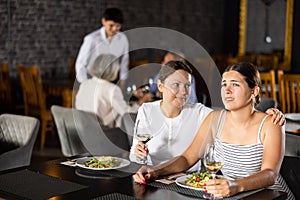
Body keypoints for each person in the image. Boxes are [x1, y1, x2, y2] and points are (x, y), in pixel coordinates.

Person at [133, 62, 294, 199]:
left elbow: (270, 174)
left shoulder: (271, 123)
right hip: (229, 194)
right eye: (224, 84)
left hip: (268, 195)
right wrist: (155, 171)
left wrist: (235, 186)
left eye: (235, 84)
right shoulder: (214, 119)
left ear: (254, 91)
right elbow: (187, 158)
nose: (227, 90)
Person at [75, 54, 151, 128]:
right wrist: (141, 102)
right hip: (104, 133)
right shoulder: (112, 89)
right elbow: (127, 114)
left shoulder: (84, 84)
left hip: (83, 130)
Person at [75, 8, 129, 89]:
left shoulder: (122, 39)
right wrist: (86, 85)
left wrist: (122, 84)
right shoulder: (92, 39)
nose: (114, 29)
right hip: (92, 81)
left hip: (111, 82)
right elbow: (80, 64)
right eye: (111, 25)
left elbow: (124, 63)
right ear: (103, 21)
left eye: (118, 26)